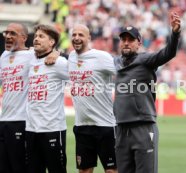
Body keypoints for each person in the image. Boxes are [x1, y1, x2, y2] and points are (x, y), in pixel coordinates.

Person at [113, 12, 181, 173]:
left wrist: (175, 33)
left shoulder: (146, 60)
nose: (126, 43)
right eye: (123, 40)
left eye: (131, 40)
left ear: (139, 43)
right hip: (120, 128)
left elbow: (168, 53)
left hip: (143, 127)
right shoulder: (114, 62)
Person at [0, 22, 58, 173]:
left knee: (20, 168)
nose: (7, 36)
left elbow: (51, 51)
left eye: (12, 34)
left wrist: (55, 53)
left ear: (24, 37)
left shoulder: (32, 55)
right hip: (3, 121)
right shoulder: (4, 56)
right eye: (6, 33)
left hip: (21, 122)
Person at [68, 24, 117, 173]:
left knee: (112, 170)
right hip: (82, 126)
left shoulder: (102, 57)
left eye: (81, 35)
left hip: (105, 125)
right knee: (84, 170)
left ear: (89, 38)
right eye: (74, 35)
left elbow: (123, 71)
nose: (76, 38)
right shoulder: (71, 57)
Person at [25, 24, 68, 173]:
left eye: (41, 36)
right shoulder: (30, 59)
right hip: (31, 129)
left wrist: (59, 54)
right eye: (36, 36)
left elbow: (77, 72)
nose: (36, 39)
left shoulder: (59, 63)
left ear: (52, 42)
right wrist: (58, 52)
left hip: (52, 129)